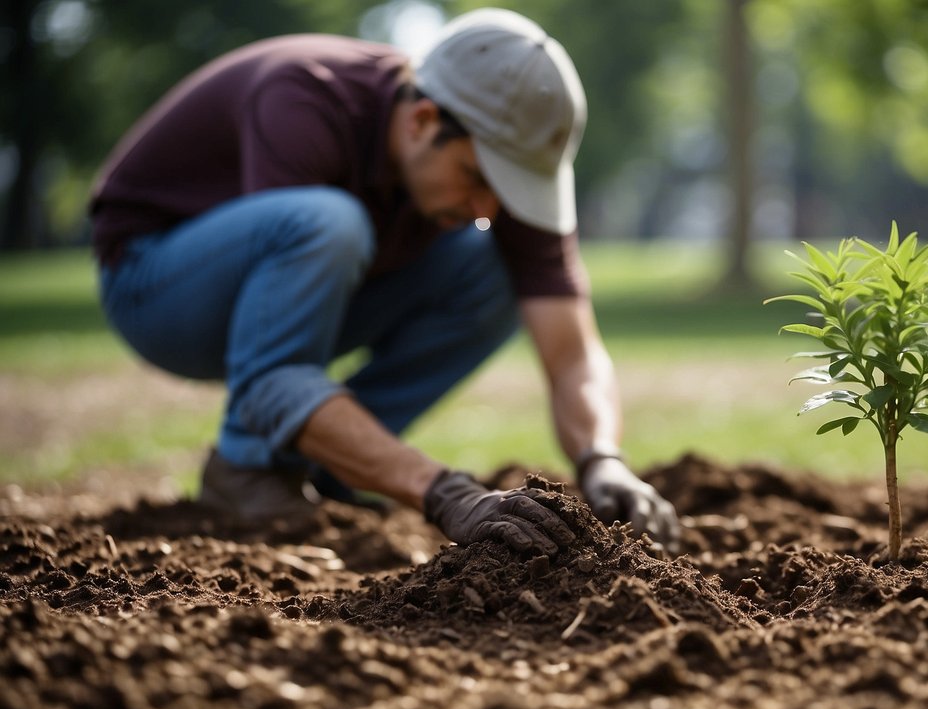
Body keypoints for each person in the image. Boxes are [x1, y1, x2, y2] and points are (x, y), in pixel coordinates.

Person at [89, 8, 680, 553]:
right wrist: (446, 493)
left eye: (508, 192)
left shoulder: (486, 176)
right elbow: (270, 373)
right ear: (423, 120)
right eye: (477, 178)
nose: (488, 208)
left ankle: (330, 466)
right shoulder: (306, 96)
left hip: (321, 280)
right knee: (329, 223)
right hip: (155, 284)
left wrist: (602, 458)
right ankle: (244, 469)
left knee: (495, 266)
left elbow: (573, 352)